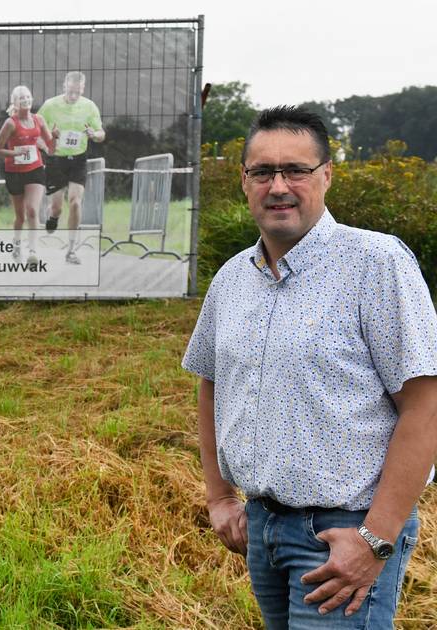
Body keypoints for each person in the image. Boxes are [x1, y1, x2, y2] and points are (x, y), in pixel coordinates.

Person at [182, 105, 437, 628]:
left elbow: (426, 405)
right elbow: (211, 384)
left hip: (344, 533)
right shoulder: (231, 279)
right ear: (245, 181)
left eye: (296, 170)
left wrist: (375, 539)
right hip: (263, 529)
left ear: (326, 176)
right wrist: (219, 498)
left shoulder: (376, 264)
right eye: (263, 172)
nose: (279, 185)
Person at [37, 71, 105, 264]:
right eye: (70, 91)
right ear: (64, 86)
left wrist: (94, 134)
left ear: (83, 88)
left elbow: (101, 133)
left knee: (75, 202)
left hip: (78, 159)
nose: (74, 96)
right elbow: (36, 132)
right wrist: (50, 137)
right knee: (57, 208)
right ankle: (52, 217)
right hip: (56, 161)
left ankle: (71, 250)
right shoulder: (50, 105)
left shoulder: (89, 106)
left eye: (78, 92)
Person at [0, 85, 55, 263]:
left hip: (35, 169)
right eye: (21, 98)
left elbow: (50, 147)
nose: (25, 100)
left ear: (32, 99)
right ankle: (17, 243)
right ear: (15, 103)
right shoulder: (10, 123)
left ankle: (33, 251)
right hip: (14, 172)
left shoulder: (39, 120)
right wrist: (15, 154)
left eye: (28, 97)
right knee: (20, 216)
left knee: (32, 211)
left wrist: (54, 138)